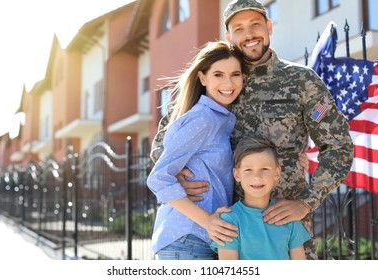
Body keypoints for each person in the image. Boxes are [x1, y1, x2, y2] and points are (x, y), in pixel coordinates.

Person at [150, 0, 354, 260]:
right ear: (229, 36)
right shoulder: (220, 80)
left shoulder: (302, 82)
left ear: (269, 27)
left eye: (255, 25)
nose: (248, 34)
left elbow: (338, 146)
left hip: (286, 229)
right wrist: (179, 177)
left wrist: (306, 202)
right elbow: (165, 141)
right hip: (228, 231)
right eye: (238, 28)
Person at [147, 41, 246, 260]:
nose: (228, 82)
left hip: (198, 241)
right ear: (203, 78)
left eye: (235, 74)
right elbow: (159, 178)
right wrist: (208, 221)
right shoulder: (204, 118)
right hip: (189, 240)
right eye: (218, 74)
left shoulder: (218, 118)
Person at [211, 135, 310, 260]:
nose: (257, 176)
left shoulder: (288, 218)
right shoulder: (230, 220)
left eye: (264, 169)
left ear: (277, 173)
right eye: (248, 170)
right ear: (237, 175)